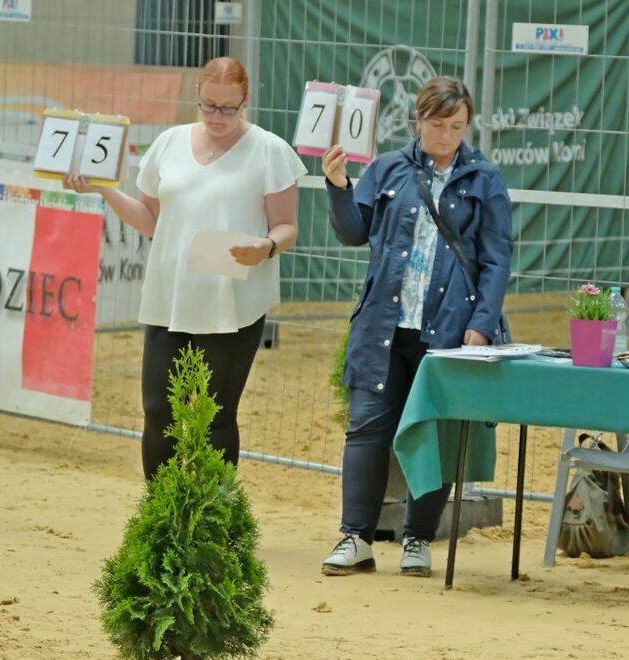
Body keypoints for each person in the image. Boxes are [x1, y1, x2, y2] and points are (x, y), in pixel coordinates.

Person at [64, 56, 304, 479]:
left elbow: (287, 226)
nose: (217, 116)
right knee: (158, 408)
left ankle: (213, 515)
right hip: (170, 293)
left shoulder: (269, 149)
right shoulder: (170, 142)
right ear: (197, 98)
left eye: (228, 108)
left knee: (216, 414)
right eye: (208, 105)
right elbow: (149, 219)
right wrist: (102, 188)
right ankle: (162, 515)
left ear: (245, 100)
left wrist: (266, 247)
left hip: (231, 297)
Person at [317, 76, 512, 577]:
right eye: (438, 124)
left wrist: (482, 324)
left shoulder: (484, 180)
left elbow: (496, 260)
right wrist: (338, 187)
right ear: (417, 121)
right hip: (382, 325)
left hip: (448, 330)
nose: (447, 135)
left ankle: (418, 540)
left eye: (458, 126)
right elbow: (353, 233)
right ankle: (355, 538)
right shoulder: (386, 168)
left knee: (434, 431)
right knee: (366, 429)